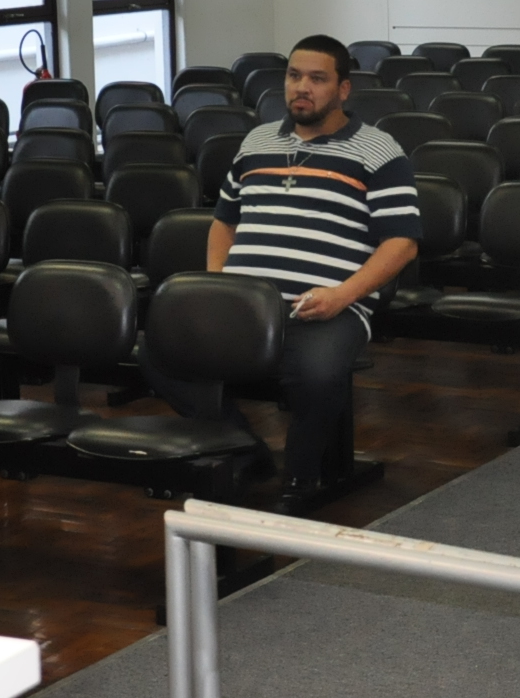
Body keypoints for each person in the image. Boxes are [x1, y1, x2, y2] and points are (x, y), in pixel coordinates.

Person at [142, 35, 421, 514]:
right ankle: (245, 453)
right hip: (244, 304)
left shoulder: (378, 151)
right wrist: (218, 283)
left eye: (317, 78)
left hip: (325, 305)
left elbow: (402, 242)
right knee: (159, 353)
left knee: (317, 373)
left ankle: (300, 476)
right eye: (294, 76)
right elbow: (224, 221)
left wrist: (342, 295)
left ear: (343, 89)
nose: (301, 87)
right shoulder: (257, 142)